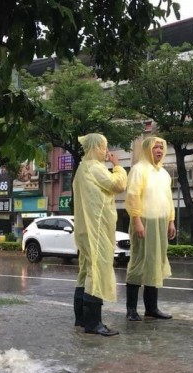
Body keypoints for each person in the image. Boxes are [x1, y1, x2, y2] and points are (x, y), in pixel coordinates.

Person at [73, 133, 127, 336]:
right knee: (98, 270)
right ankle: (93, 323)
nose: (106, 151)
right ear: (95, 147)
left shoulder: (81, 168)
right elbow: (118, 185)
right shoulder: (95, 167)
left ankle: (81, 318)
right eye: (104, 147)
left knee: (86, 270)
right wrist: (117, 165)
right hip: (96, 228)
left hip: (86, 228)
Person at [125, 136, 176, 321]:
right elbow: (132, 197)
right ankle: (131, 309)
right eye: (156, 147)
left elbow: (169, 199)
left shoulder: (163, 173)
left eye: (162, 147)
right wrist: (137, 221)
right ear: (148, 149)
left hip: (161, 222)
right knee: (139, 261)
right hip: (144, 221)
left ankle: (151, 308)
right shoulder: (138, 170)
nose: (160, 151)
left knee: (155, 263)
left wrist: (171, 220)